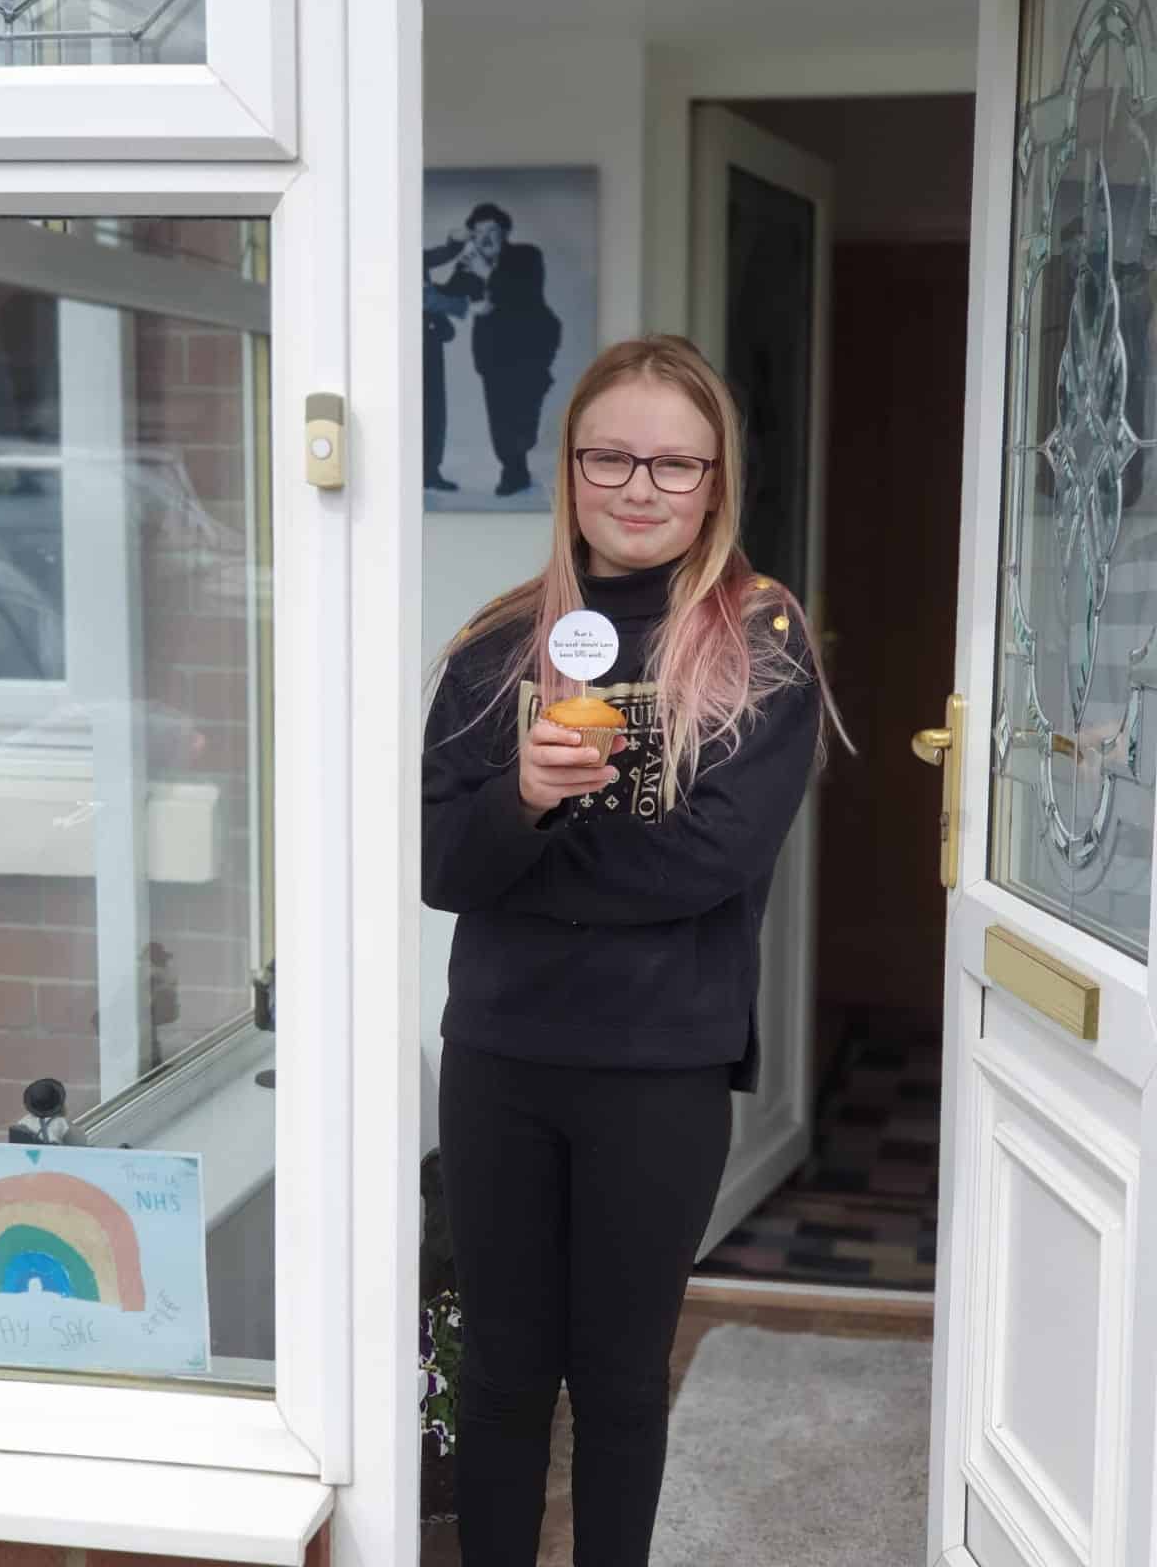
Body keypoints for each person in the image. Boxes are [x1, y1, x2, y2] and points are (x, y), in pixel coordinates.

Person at [422, 334, 844, 1566]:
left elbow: (702, 865)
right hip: (501, 1055)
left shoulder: (761, 646)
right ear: (570, 467)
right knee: (501, 1370)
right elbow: (444, 868)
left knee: (616, 1377)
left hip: (658, 1066)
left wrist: (528, 851)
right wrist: (521, 797)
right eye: (612, 457)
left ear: (716, 483)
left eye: (675, 464)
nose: (640, 487)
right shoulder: (499, 646)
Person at [444, 201, 562, 497]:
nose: (485, 238)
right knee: (500, 415)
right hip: (493, 353)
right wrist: (454, 258)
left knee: (524, 413)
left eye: (492, 231)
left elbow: (525, 295)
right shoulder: (470, 262)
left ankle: (517, 462)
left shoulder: (527, 256)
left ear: (505, 232)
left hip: (531, 348)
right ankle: (514, 471)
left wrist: (486, 273)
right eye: (478, 232)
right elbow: (449, 294)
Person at [423, 235, 472, 493]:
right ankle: (423, 473)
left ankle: (429, 472)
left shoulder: (417, 259)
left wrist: (456, 245)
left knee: (434, 411)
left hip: (429, 346)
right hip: (406, 349)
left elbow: (436, 256)